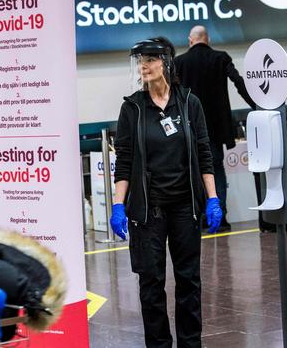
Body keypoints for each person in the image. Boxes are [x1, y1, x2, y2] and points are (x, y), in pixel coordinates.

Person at [109, 37, 222, 348]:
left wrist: (212, 198)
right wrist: (119, 204)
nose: (143, 65)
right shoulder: (132, 108)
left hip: (186, 207)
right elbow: (125, 160)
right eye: (140, 60)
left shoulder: (189, 103)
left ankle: (190, 344)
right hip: (149, 212)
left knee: (189, 281)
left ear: (166, 63)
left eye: (150, 59)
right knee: (151, 284)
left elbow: (203, 152)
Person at [174, 25, 256, 233]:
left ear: (190, 40)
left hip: (190, 126)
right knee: (216, 169)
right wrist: (257, 105)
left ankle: (201, 216)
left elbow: (171, 93)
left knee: (195, 170)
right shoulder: (221, 58)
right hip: (216, 126)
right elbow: (238, 82)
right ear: (207, 39)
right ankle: (221, 217)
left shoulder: (180, 62)